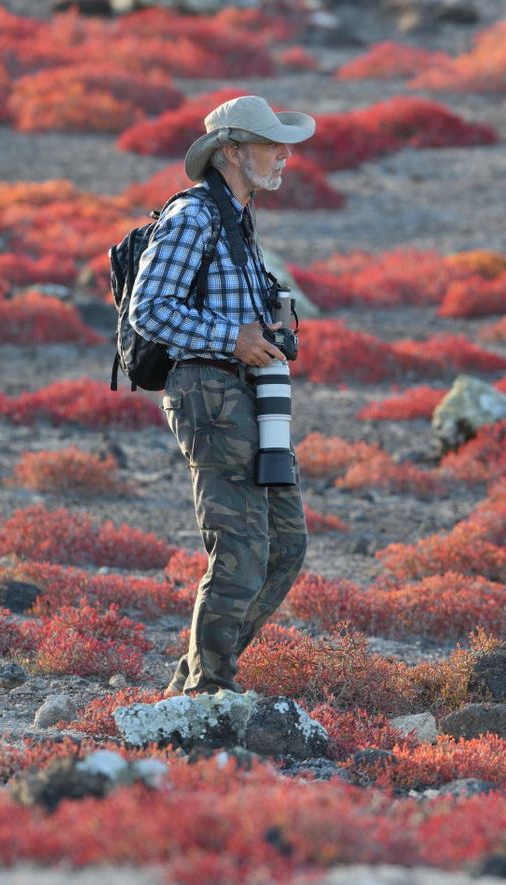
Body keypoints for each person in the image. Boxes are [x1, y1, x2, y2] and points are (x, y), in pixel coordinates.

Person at [130, 95, 315, 696]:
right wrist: (232, 337)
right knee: (240, 549)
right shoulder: (193, 217)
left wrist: (272, 311)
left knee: (286, 544)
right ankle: (207, 694)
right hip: (209, 395)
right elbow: (149, 309)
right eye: (270, 144)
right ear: (232, 152)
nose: (284, 155)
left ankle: (196, 681)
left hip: (248, 394)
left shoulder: (236, 215)